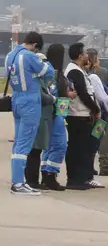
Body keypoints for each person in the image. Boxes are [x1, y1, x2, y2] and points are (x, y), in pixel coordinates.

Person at [4, 31, 50, 195]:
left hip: (16, 98)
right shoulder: (30, 56)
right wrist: (40, 61)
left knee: (18, 142)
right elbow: (48, 71)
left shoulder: (10, 55)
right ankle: (18, 183)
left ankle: (17, 180)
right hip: (30, 101)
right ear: (36, 45)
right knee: (25, 143)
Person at [63, 43, 100, 190]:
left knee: (83, 148)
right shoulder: (74, 71)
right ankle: (74, 179)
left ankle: (82, 178)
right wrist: (95, 109)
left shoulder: (79, 70)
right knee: (76, 148)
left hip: (82, 114)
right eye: (85, 53)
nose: (87, 56)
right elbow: (83, 94)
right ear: (79, 56)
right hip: (77, 115)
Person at [37, 43, 68, 192]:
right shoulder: (52, 72)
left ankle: (45, 173)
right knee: (60, 145)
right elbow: (54, 92)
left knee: (49, 146)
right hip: (56, 111)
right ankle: (51, 174)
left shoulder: (47, 69)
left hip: (52, 111)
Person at [87, 54, 108, 187]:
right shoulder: (102, 73)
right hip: (101, 112)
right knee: (102, 137)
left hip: (88, 112)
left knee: (91, 138)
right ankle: (104, 165)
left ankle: (90, 165)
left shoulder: (84, 72)